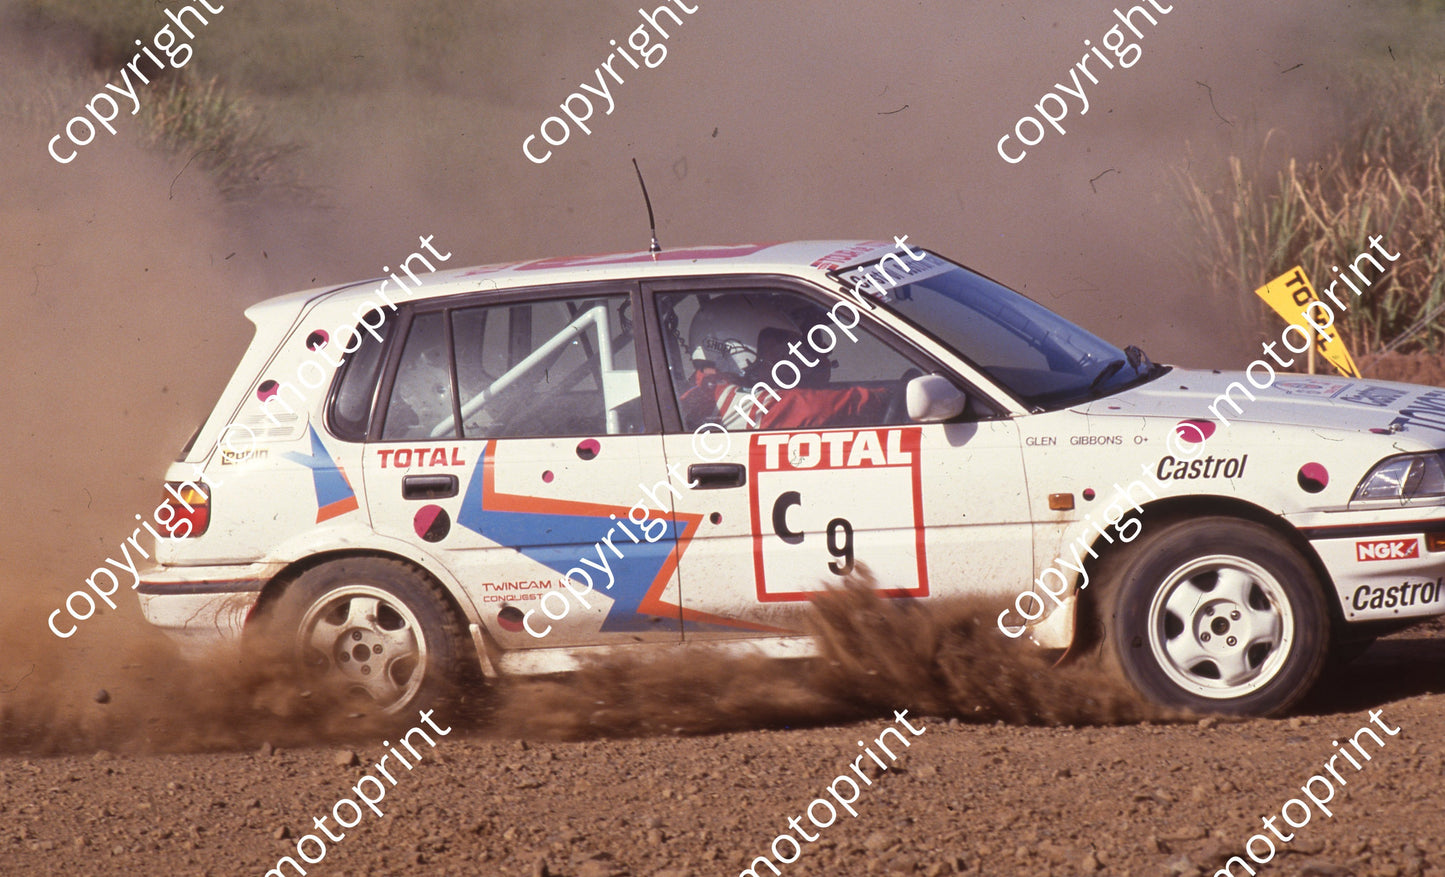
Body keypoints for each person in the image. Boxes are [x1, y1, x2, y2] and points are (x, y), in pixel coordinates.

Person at [677, 295, 892, 431]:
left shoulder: (712, 387)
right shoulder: (716, 397)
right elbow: (806, 407)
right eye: (775, 344)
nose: (785, 353)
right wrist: (887, 396)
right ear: (733, 345)